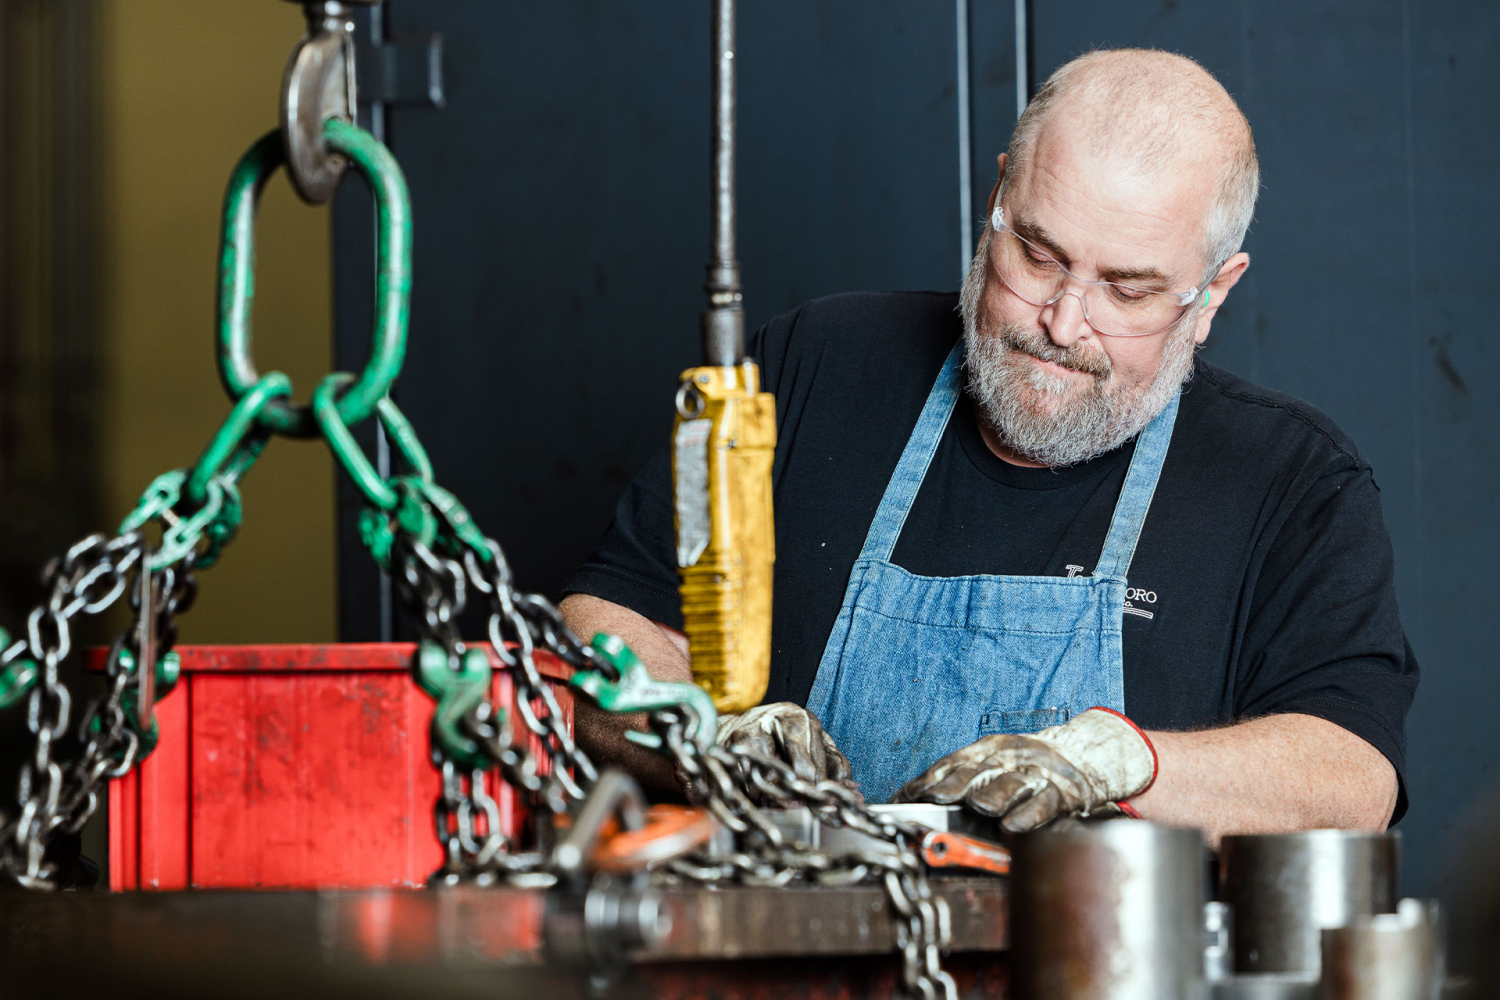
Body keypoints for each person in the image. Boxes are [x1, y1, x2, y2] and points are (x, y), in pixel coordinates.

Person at [560, 48, 1417, 843]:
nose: (1063, 323)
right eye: (1037, 255)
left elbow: (1351, 778)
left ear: (1213, 295)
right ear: (998, 200)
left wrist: (1129, 765)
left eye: (1127, 289)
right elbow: (599, 625)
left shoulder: (1293, 481)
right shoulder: (813, 364)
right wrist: (702, 736)